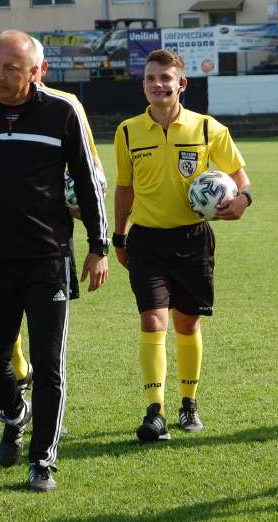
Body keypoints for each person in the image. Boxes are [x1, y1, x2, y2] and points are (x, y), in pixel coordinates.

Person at [0, 30, 109, 492]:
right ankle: (14, 412)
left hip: (48, 258)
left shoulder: (62, 112)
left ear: (38, 71)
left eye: (11, 68)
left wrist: (99, 245)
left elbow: (89, 184)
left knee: (49, 365)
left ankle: (43, 461)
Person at [113, 49, 251, 442]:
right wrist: (119, 235)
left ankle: (188, 403)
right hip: (147, 240)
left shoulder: (208, 129)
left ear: (181, 84)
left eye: (165, 78)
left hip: (193, 240)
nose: (158, 85)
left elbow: (241, 180)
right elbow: (125, 188)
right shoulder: (127, 131)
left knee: (186, 324)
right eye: (150, 79)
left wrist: (243, 201)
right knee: (152, 320)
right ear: (143, 84)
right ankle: (154, 411)